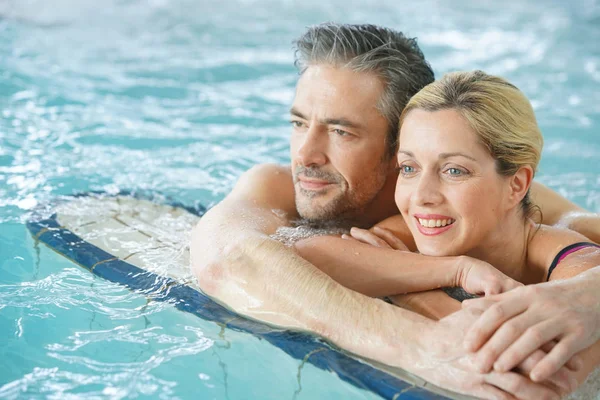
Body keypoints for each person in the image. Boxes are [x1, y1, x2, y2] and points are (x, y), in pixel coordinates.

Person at [190, 23, 600, 399]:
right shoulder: (273, 187)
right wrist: (422, 341)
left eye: (340, 131)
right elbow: (232, 259)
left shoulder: (519, 206)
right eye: (299, 124)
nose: (305, 155)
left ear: (395, 145)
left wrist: (586, 294)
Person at [294, 70, 600, 392]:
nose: (421, 196)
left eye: (454, 170)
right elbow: (310, 257)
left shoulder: (567, 256)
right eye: (409, 168)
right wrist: (458, 270)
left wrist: (407, 291)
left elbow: (533, 371)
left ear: (517, 184)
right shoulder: (411, 231)